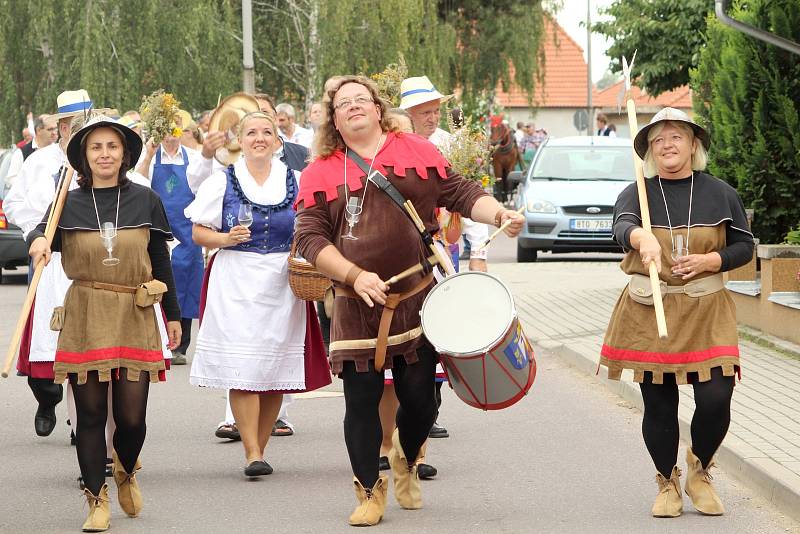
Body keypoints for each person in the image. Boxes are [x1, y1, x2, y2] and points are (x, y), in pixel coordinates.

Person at [294, 75, 524, 526]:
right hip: (355, 302)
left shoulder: (417, 152)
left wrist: (499, 213)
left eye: (362, 100)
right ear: (335, 120)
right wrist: (354, 275)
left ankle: (405, 457)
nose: (354, 107)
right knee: (359, 401)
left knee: (421, 401)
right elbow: (308, 238)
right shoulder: (320, 171)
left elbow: (459, 193)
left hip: (417, 296)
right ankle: (368, 490)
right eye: (344, 104)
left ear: (378, 109)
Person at [27, 115, 181, 532]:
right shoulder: (68, 201)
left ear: (125, 153)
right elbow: (42, 232)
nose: (105, 154)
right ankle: (96, 499)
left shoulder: (146, 199)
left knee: (132, 418)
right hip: (87, 309)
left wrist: (173, 315)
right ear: (84, 156)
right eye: (96, 147)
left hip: (135, 308)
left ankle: (126, 469)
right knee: (91, 415)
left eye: (112, 146)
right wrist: (38, 241)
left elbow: (161, 258)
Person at [600, 107, 754, 518]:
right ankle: (667, 481)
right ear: (649, 150)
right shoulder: (637, 191)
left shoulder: (721, 193)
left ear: (693, 144)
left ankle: (699, 469)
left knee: (717, 396)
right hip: (651, 310)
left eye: (676, 137)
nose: (667, 145)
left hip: (707, 308)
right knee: (660, 403)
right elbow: (621, 227)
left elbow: (745, 247)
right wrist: (639, 238)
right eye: (658, 140)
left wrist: (711, 262)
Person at [186, 111, 329, 477]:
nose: (260, 138)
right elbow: (199, 232)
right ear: (240, 139)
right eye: (252, 132)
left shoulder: (297, 179)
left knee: (275, 367)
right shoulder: (222, 181)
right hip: (235, 278)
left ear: (278, 140)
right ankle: (251, 451)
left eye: (267, 132)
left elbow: (316, 226)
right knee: (244, 367)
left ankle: (260, 448)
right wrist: (224, 239)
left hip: (283, 280)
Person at [401, 75, 491, 439]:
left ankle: (429, 410)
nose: (433, 117)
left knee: (441, 330)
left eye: (436, 110)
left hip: (442, 249)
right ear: (406, 113)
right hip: (401, 255)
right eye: (425, 111)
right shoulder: (389, 148)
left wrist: (479, 251)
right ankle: (401, 417)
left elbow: (467, 197)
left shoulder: (450, 147)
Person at [4, 90, 95, 440]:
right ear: (60, 128)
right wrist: (36, 233)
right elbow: (14, 202)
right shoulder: (39, 161)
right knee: (45, 337)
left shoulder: (98, 158)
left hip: (86, 260)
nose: (80, 131)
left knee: (86, 340)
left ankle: (82, 420)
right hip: (47, 257)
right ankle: (47, 397)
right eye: (74, 125)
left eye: (85, 124)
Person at [136, 118, 204, 365]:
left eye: (175, 129)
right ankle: (159, 339)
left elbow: (203, 190)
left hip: (186, 231)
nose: (170, 135)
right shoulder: (151, 158)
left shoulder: (194, 158)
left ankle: (181, 346)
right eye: (165, 130)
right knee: (159, 281)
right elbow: (139, 184)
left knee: (186, 285)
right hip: (159, 229)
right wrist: (146, 156)